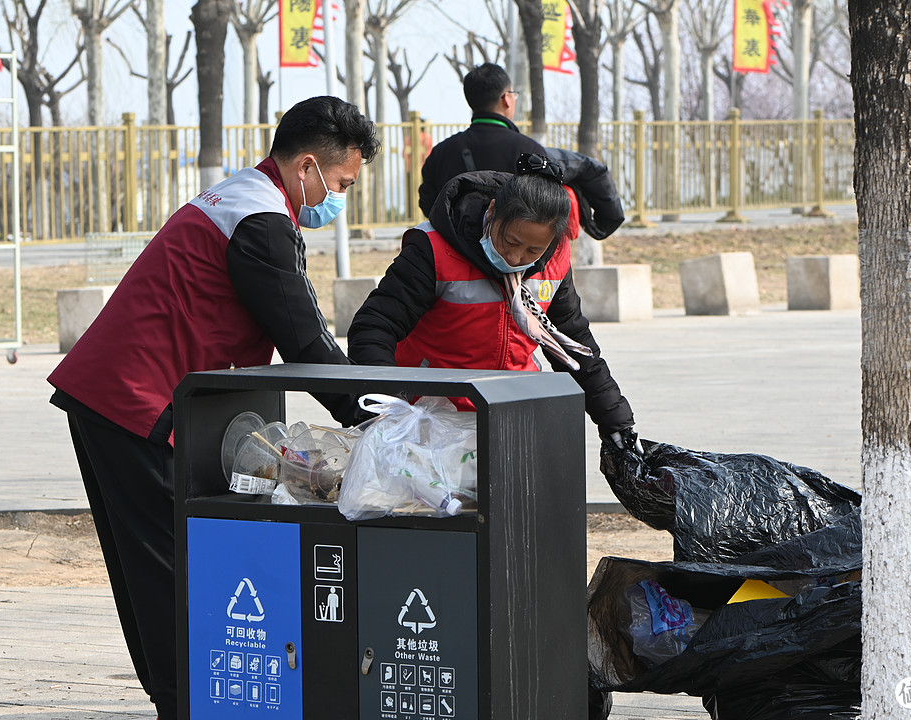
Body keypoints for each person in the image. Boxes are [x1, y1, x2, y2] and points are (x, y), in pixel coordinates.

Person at [47, 96, 380, 720]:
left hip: (117, 394)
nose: (339, 198)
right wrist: (377, 417)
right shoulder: (259, 220)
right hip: (134, 401)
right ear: (307, 167)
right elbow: (305, 341)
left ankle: (179, 698)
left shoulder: (248, 200)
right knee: (169, 570)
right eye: (341, 184)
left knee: (154, 571)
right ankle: (188, 703)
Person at [349, 153, 637, 446]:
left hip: (512, 416)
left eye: (532, 250)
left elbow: (573, 341)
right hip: (429, 422)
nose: (515, 257)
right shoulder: (433, 250)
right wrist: (392, 408)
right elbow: (374, 327)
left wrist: (616, 421)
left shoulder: (555, 262)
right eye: (510, 241)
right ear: (492, 210)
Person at [418, 62, 544, 218]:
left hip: (453, 242)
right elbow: (543, 206)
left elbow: (428, 202)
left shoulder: (441, 153)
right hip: (513, 241)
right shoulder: (529, 151)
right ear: (506, 99)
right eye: (513, 94)